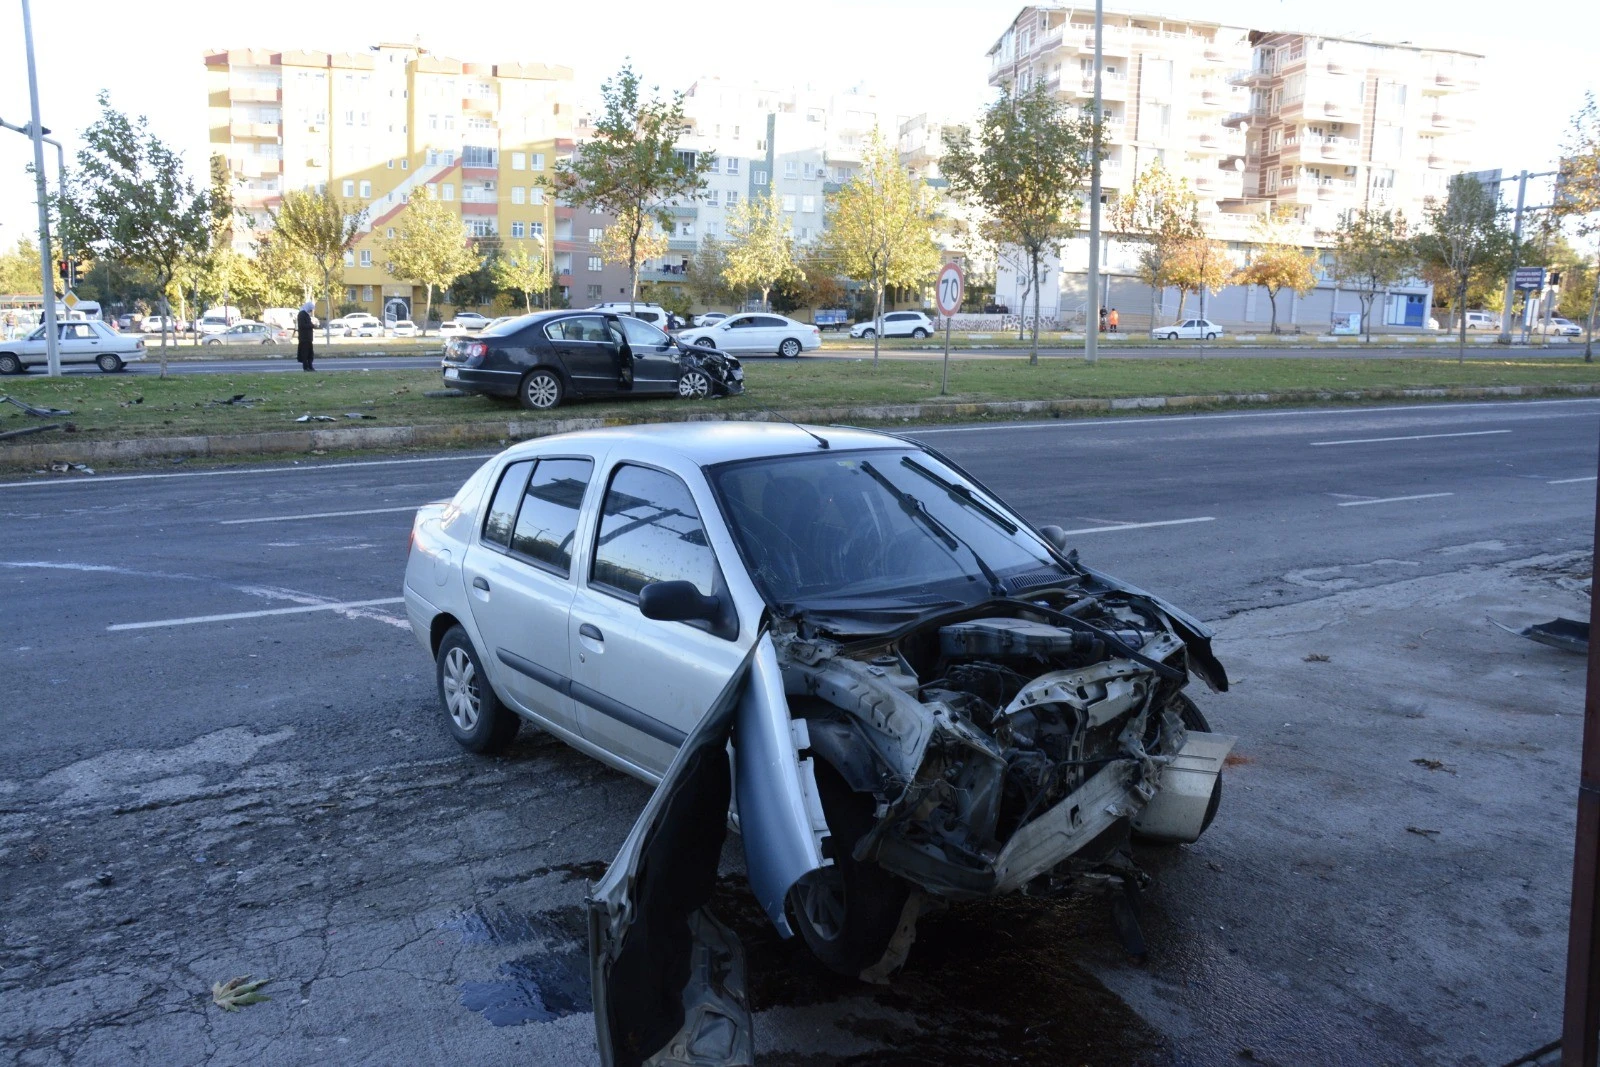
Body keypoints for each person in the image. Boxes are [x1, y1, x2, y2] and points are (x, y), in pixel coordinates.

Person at [296, 301, 316, 371]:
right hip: (304, 338)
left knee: (310, 353)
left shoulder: (306, 314)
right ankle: (306, 367)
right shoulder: (301, 314)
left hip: (308, 338)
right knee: (305, 353)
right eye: (310, 309)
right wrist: (311, 325)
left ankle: (310, 366)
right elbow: (302, 325)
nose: (311, 311)